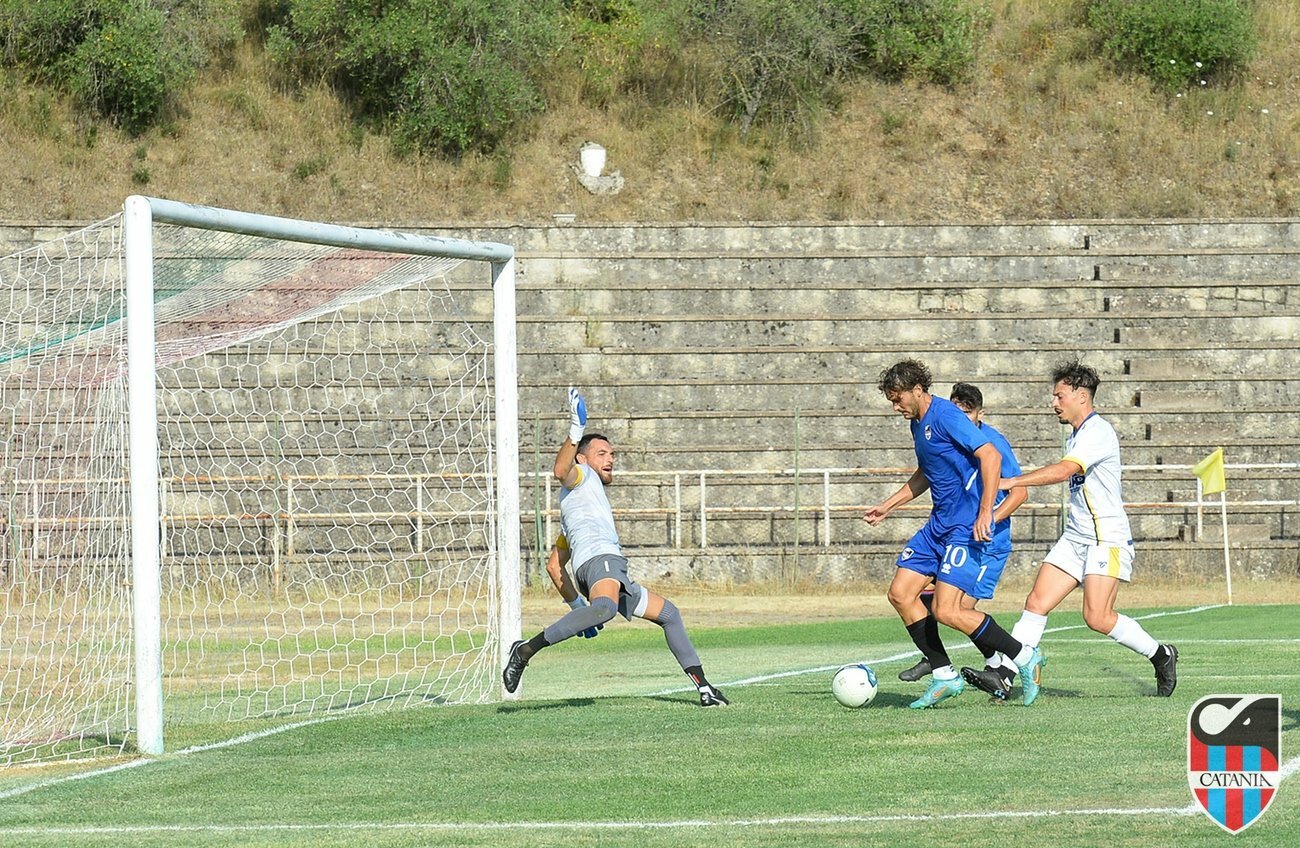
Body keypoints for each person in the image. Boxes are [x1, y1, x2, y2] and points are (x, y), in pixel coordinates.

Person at [503, 387, 729, 707]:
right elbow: (559, 471)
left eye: (612, 455)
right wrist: (575, 430)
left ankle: (705, 688)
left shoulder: (577, 505)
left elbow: (555, 567)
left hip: (603, 568)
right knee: (606, 610)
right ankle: (525, 650)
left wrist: (578, 610)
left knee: (669, 615)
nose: (610, 459)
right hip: (602, 562)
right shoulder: (581, 476)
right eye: (602, 453)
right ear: (582, 458)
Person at [994, 360, 1178, 700]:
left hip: (1105, 538)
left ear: (1081, 396)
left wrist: (1012, 480)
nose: (1054, 403)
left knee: (1097, 616)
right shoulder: (1077, 434)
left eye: (1059, 396)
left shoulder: (1097, 431)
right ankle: (1005, 674)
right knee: (1036, 601)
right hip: (1076, 536)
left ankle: (1161, 655)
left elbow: (1065, 471)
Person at [864, 361, 1043, 708]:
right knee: (901, 594)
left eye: (898, 399)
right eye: (891, 401)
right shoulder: (917, 422)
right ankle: (944, 675)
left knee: (948, 610)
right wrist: (889, 504)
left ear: (917, 389)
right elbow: (927, 472)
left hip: (962, 528)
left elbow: (989, 456)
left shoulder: (946, 415)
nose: (895, 407)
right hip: (938, 525)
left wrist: (985, 512)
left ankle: (1024, 656)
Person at [895, 382, 1030, 703]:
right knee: (934, 604)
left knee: (957, 610)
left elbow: (1020, 492)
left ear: (979, 414)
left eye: (967, 412)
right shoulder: (944, 433)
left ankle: (1006, 666)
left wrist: (988, 518)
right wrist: (889, 504)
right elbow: (930, 472)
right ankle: (971, 667)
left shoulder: (993, 443)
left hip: (988, 540)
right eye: (956, 410)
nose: (960, 417)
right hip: (954, 530)